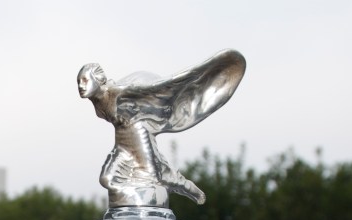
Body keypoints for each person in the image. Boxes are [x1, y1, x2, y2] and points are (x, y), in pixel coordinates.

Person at [77, 50, 245, 207]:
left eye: (85, 80)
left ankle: (185, 186)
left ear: (98, 80)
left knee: (156, 177)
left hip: (139, 136)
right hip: (122, 144)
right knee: (107, 179)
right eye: (78, 82)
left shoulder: (119, 93)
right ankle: (126, 212)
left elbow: (159, 88)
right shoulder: (97, 103)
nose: (81, 86)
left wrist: (195, 76)